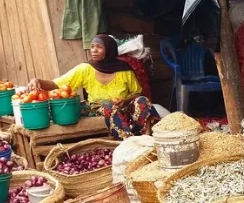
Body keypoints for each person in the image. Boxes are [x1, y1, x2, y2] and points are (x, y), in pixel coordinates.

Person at [28, 34, 159, 139]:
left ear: (109, 50)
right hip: (99, 108)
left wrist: (124, 101)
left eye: (99, 47)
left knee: (142, 100)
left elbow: (137, 93)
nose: (94, 50)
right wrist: (37, 80)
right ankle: (129, 140)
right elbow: (56, 84)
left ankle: (147, 137)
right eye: (92, 47)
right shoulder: (86, 69)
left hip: (124, 107)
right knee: (109, 106)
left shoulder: (124, 70)